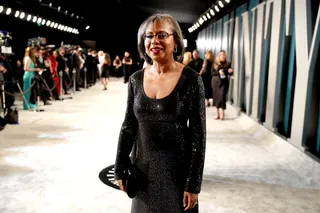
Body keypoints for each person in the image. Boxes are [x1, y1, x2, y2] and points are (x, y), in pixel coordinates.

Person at [115, 13, 206, 213]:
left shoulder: (191, 80)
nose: (154, 41)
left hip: (177, 176)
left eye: (162, 34)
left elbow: (198, 136)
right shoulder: (135, 80)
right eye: (149, 36)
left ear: (176, 42)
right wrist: (120, 165)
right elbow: (129, 125)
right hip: (143, 174)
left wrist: (193, 184)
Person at [211, 50, 233, 120]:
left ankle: (222, 114)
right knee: (217, 98)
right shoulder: (215, 64)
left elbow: (230, 73)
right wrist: (218, 72)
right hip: (216, 82)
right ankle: (217, 114)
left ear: (225, 56)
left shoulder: (228, 63)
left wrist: (231, 72)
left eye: (223, 54)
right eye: (221, 55)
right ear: (219, 56)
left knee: (222, 97)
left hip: (224, 83)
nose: (222, 56)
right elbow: (212, 73)